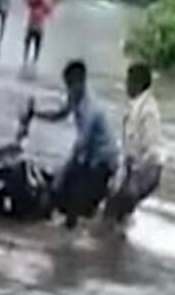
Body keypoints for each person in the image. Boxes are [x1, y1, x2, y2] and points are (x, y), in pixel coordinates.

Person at [28, 60, 120, 229]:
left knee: (75, 199)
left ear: (82, 82)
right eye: (67, 85)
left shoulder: (91, 109)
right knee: (61, 188)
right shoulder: (74, 97)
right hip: (90, 156)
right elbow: (60, 114)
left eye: (72, 85)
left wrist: (64, 172)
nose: (69, 89)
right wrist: (36, 114)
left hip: (103, 160)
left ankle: (71, 238)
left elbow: (80, 146)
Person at [103, 62, 164, 228]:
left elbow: (150, 148)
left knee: (113, 210)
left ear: (137, 83)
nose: (126, 86)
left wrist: (131, 179)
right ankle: (121, 240)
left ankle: (114, 245)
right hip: (140, 169)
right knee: (116, 209)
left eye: (128, 81)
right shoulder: (138, 106)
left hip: (146, 170)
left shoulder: (147, 110)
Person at [23, 0, 56, 66]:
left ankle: (35, 59)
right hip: (32, 22)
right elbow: (29, 3)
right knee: (28, 41)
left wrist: (44, 5)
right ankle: (25, 58)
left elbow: (49, 11)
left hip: (40, 24)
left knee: (37, 42)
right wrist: (37, 0)